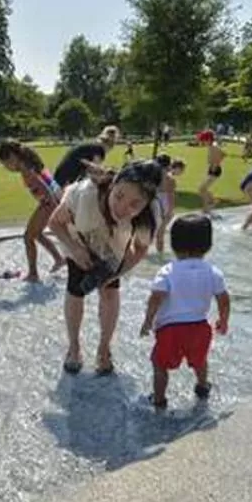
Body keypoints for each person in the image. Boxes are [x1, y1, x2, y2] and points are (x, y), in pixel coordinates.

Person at [48, 159, 161, 375]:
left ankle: (104, 348)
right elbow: (54, 223)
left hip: (114, 245)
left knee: (110, 291)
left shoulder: (148, 215)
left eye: (135, 204)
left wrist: (117, 273)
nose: (122, 208)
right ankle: (74, 347)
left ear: (146, 205)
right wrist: (75, 249)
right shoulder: (84, 194)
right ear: (114, 183)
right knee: (75, 290)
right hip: (79, 239)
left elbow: (139, 249)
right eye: (119, 196)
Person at [139, 215, 230, 410]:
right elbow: (223, 298)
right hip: (199, 326)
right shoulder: (213, 271)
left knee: (160, 365)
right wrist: (223, 320)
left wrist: (148, 321)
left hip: (170, 330)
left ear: (174, 244)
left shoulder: (168, 271)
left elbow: (156, 297)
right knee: (200, 360)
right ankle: (202, 386)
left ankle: (159, 400)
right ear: (208, 244)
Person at [0, 139, 65, 281]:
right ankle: (58, 259)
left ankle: (33, 274)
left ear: (13, 157)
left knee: (28, 237)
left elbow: (46, 188)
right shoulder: (30, 165)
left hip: (48, 205)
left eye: (6, 164)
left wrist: (55, 209)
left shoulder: (27, 170)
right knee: (37, 234)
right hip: (49, 203)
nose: (7, 168)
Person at [51, 125, 120, 189]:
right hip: (68, 178)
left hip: (62, 174)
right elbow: (95, 170)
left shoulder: (91, 145)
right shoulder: (98, 149)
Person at [155, 157, 185, 254]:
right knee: (159, 233)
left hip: (160, 207)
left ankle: (159, 254)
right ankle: (160, 254)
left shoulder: (161, 178)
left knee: (158, 233)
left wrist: (170, 212)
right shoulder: (167, 179)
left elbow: (170, 197)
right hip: (161, 207)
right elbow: (170, 197)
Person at [198, 134, 227, 214]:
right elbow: (223, 154)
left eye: (204, 140)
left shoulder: (213, 147)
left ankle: (207, 206)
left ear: (208, 140)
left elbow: (222, 154)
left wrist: (216, 164)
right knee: (203, 189)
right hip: (212, 169)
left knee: (201, 189)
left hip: (215, 170)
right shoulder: (212, 146)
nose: (203, 142)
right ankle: (211, 203)